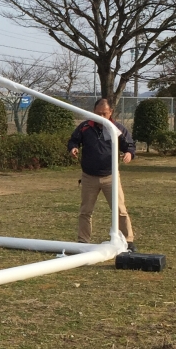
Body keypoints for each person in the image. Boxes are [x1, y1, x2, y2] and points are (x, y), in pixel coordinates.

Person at [67, 98, 135, 246]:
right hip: (89, 177)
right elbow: (73, 140)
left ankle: (128, 241)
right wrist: (73, 148)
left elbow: (129, 145)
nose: (102, 117)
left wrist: (129, 153)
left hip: (111, 177)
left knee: (120, 210)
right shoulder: (85, 127)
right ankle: (83, 242)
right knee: (85, 211)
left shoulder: (117, 129)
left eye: (104, 113)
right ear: (93, 112)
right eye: (98, 114)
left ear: (111, 112)